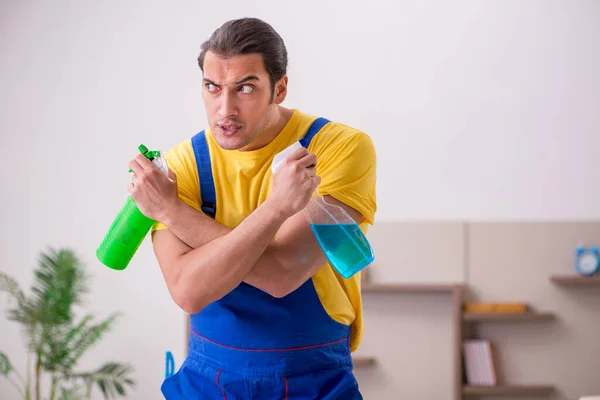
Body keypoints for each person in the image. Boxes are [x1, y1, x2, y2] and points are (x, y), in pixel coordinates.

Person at [127, 17, 377, 399]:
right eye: (212, 88)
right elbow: (189, 292)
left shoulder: (339, 149)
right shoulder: (183, 165)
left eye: (245, 88)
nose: (224, 109)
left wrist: (174, 212)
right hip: (206, 382)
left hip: (314, 380)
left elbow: (282, 274)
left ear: (280, 89)